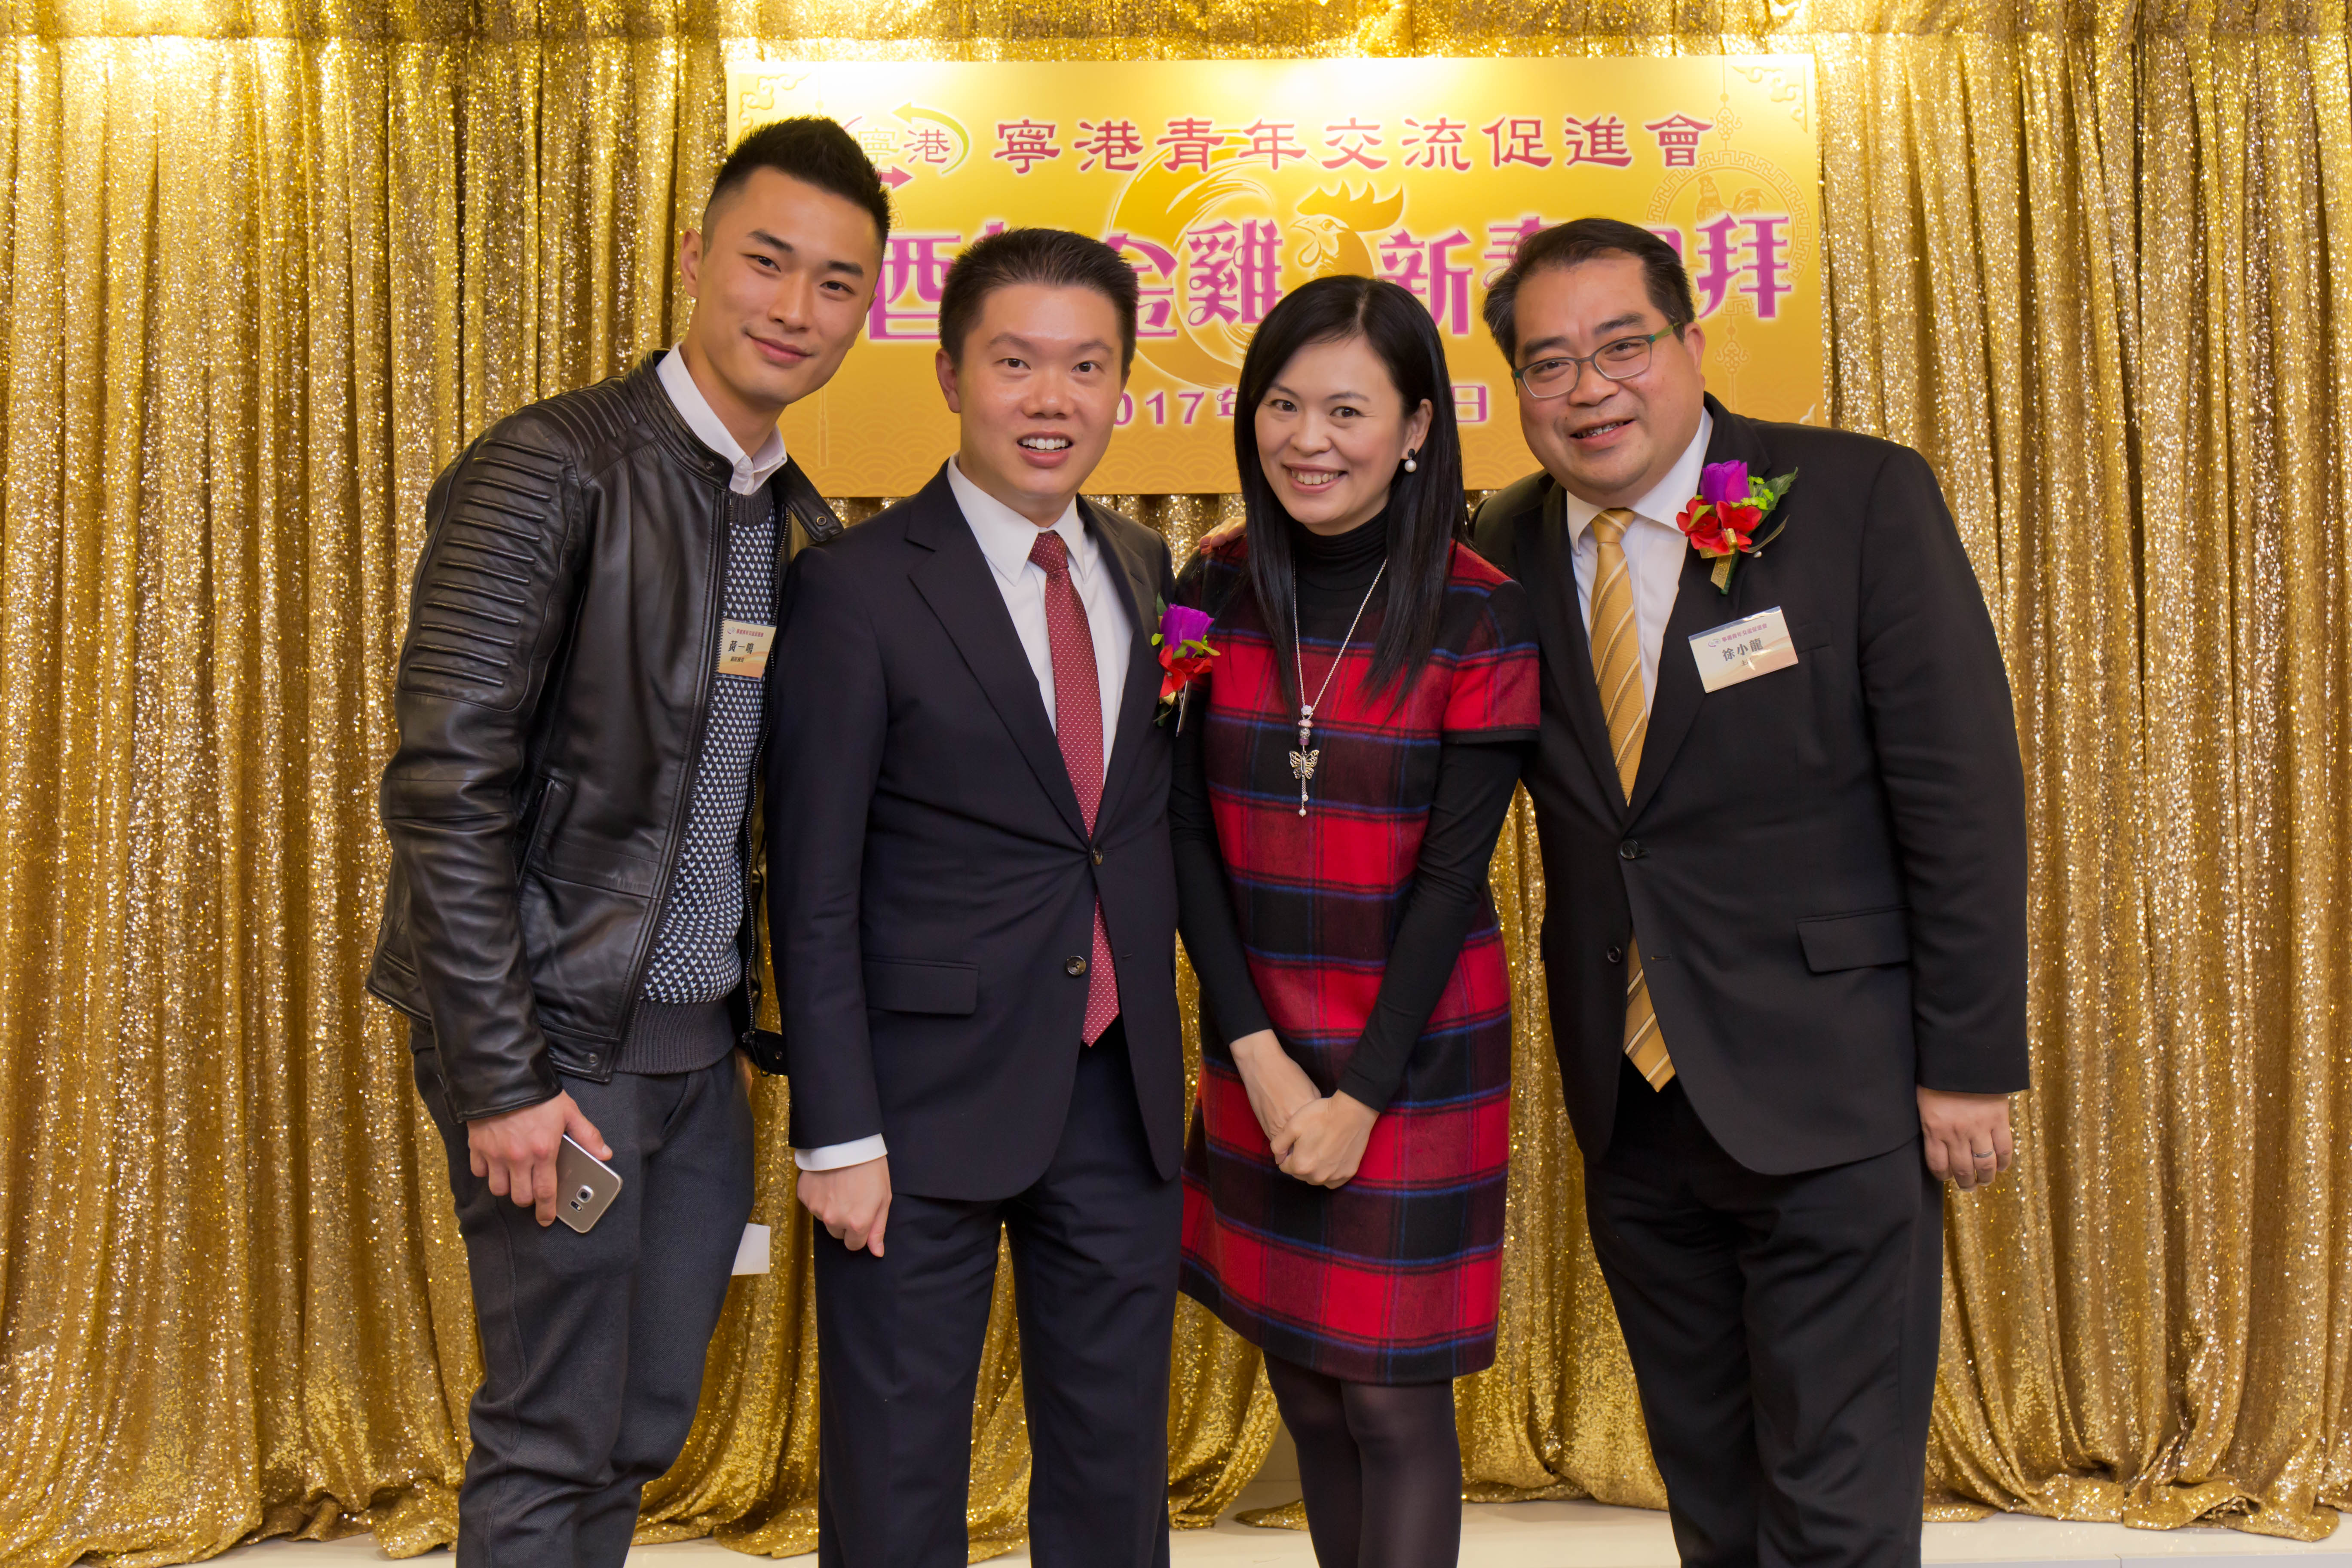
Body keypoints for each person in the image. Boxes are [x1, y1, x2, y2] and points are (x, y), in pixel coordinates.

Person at [366, 118, 888, 1568]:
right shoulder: (551, 466)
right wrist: (503, 1077)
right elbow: (445, 789)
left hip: (698, 1062)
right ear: (696, 257)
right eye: (767, 262)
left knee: (642, 1417)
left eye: (836, 283)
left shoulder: (793, 521)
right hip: (557, 1048)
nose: (794, 308)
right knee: (553, 1424)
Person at [1471, 218, 2029, 1568]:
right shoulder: (1504, 541)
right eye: (1549, 364)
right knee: (1710, 1493)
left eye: (1622, 346)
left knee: (1835, 1506)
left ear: (1692, 344)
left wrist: (1968, 1064)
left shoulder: (1854, 497)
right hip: (1636, 1102)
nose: (1590, 388)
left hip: (1839, 1084)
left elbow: (1961, 794)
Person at [768, 227, 1185, 1568]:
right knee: (895, 1481)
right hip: (915, 1110)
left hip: (1117, 1091)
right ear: (950, 376)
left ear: (1122, 385)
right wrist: (837, 1133)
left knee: (1116, 1479)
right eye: (1016, 363)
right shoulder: (854, 587)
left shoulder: (1145, 569)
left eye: (1087, 367)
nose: (1051, 399)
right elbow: (812, 884)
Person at [1171, 276, 1540, 1568]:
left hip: (1416, 1048)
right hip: (1258, 1031)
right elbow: (1180, 834)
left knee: (1389, 1400)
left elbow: (1454, 879)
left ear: (1417, 427)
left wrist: (1361, 1096)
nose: (1308, 440)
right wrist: (1258, 1057)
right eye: (1282, 405)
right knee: (1310, 1389)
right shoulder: (1209, 583)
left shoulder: (1479, 609)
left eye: (1346, 410)